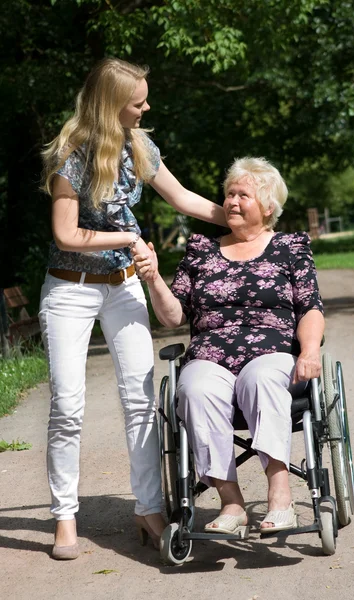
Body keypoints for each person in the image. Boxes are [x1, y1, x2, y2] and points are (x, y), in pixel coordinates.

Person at [39, 57, 226, 560]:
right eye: (138, 101)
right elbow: (66, 234)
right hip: (71, 288)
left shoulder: (139, 146)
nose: (146, 107)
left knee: (142, 399)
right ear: (111, 105)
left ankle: (147, 508)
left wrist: (238, 220)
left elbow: (183, 197)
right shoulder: (71, 156)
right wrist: (130, 235)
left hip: (123, 285)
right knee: (68, 404)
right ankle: (64, 518)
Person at [133, 157, 325, 535]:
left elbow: (310, 307)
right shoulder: (201, 249)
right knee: (195, 388)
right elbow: (173, 316)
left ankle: (280, 497)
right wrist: (154, 278)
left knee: (261, 381)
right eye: (229, 194)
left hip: (271, 352)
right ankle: (231, 502)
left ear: (268, 207)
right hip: (210, 355)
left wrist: (310, 350)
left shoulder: (290, 247)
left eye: (243, 195)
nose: (232, 202)